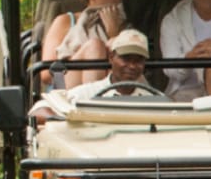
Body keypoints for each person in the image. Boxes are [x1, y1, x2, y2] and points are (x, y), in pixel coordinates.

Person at [29, 29, 158, 120]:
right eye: (126, 59)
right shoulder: (88, 93)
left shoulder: (155, 100)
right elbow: (39, 109)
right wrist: (65, 119)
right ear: (111, 58)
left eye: (138, 60)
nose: (131, 66)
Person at [40, 0, 125, 88]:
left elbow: (128, 70)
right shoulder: (65, 21)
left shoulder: (124, 25)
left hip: (115, 88)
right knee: (95, 46)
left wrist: (114, 35)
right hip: (68, 87)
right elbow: (46, 74)